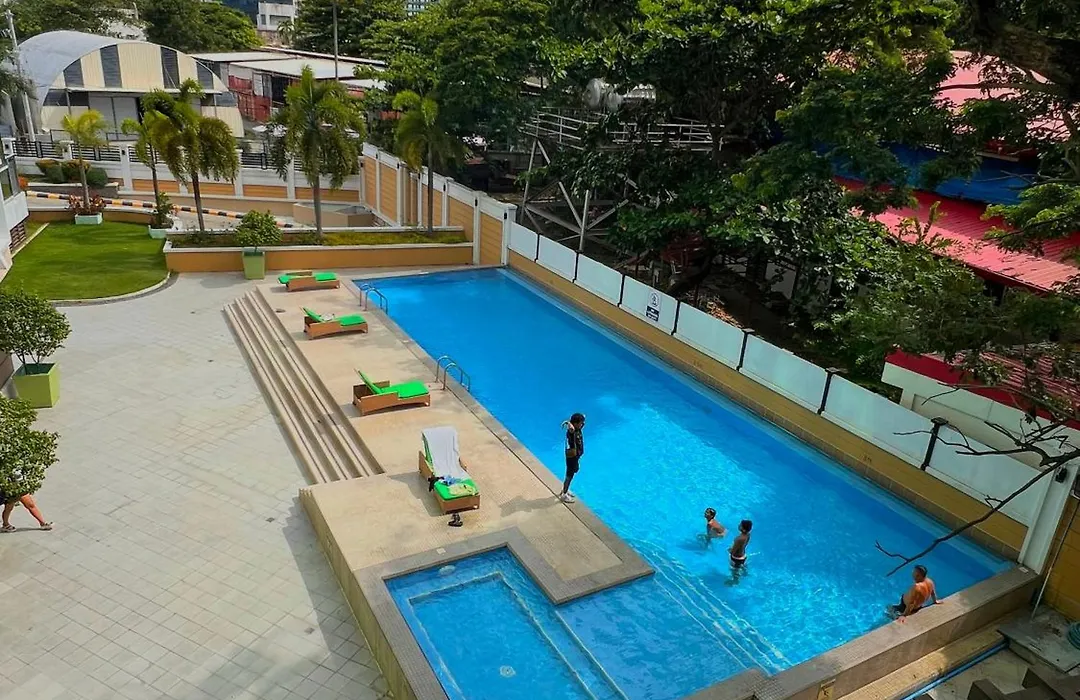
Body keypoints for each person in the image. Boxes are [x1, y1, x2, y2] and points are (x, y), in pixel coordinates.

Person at [559, 413, 586, 503]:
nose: (582, 424)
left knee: (573, 471)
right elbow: (571, 428)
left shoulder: (578, 429)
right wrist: (568, 423)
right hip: (572, 458)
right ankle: (564, 494)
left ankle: (565, 489)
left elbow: (583, 418)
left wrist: (568, 421)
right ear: (575, 424)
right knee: (569, 476)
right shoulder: (572, 432)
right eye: (580, 423)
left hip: (575, 457)